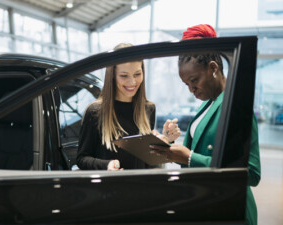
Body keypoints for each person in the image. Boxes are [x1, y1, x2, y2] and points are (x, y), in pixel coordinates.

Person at [150, 24, 261, 225]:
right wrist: (169, 147)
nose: (191, 89)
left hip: (231, 210)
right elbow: (201, 151)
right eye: (186, 84)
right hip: (209, 203)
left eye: (194, 80)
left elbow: (251, 174)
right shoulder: (209, 104)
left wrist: (190, 157)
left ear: (213, 68)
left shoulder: (236, 106)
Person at [76, 43, 181, 171]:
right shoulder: (95, 112)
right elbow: (82, 159)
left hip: (140, 187)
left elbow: (149, 161)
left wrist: (165, 141)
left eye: (137, 74)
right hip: (109, 188)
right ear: (112, 76)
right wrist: (106, 165)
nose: (132, 82)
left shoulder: (148, 109)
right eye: (124, 76)